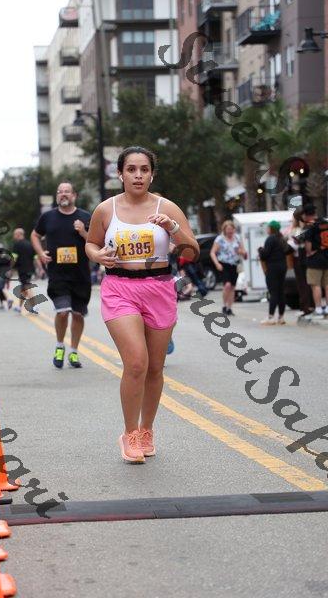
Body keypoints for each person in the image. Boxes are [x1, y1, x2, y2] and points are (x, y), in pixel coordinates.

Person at [85, 146, 199, 463]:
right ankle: (130, 433)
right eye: (131, 169)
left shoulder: (167, 208)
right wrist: (97, 255)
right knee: (136, 362)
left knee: (155, 367)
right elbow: (91, 243)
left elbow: (192, 251)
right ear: (120, 174)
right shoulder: (105, 210)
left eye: (144, 170)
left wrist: (173, 229)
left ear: (152, 175)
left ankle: (147, 429)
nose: (138, 175)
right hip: (119, 288)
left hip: (159, 288)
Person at [31, 182, 91, 369]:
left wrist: (83, 231)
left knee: (78, 315)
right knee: (63, 312)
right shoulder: (48, 217)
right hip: (58, 274)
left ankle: (74, 351)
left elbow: (95, 241)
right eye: (60, 192)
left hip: (81, 275)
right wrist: (40, 253)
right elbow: (34, 235)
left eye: (67, 191)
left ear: (74, 195)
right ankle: (59, 346)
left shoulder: (85, 217)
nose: (63, 194)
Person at [210, 220, 247, 316]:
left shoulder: (237, 238)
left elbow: (243, 251)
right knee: (227, 285)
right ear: (224, 230)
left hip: (234, 264)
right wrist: (217, 264)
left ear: (234, 230)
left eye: (231, 229)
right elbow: (212, 252)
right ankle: (224, 305)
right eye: (228, 229)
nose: (230, 231)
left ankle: (229, 308)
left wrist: (241, 252)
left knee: (233, 287)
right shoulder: (220, 239)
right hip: (224, 264)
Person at [284, 209, 313, 317]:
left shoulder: (298, 230)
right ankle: (307, 306)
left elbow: (293, 246)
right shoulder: (306, 228)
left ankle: (306, 307)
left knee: (302, 284)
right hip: (304, 258)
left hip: (299, 259)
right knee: (306, 284)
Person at [258, 220, 288, 325]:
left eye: (268, 227)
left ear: (271, 228)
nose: (267, 229)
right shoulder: (281, 238)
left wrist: (260, 250)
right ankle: (281, 317)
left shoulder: (270, 238)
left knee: (273, 292)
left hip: (273, 267)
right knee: (281, 291)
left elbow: (265, 254)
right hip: (283, 266)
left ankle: (271, 317)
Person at [304, 210, 328, 319]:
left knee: (316, 285)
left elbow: (308, 246)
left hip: (315, 260)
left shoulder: (311, 229)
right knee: (327, 285)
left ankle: (318, 308)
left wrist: (309, 252)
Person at [11, 228, 36, 313]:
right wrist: (40, 269)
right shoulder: (30, 244)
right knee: (23, 289)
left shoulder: (17, 245)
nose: (14, 236)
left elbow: (14, 258)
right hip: (30, 269)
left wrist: (10, 269)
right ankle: (19, 307)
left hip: (23, 270)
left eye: (14, 234)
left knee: (27, 287)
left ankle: (34, 306)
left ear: (19, 234)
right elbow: (35, 258)